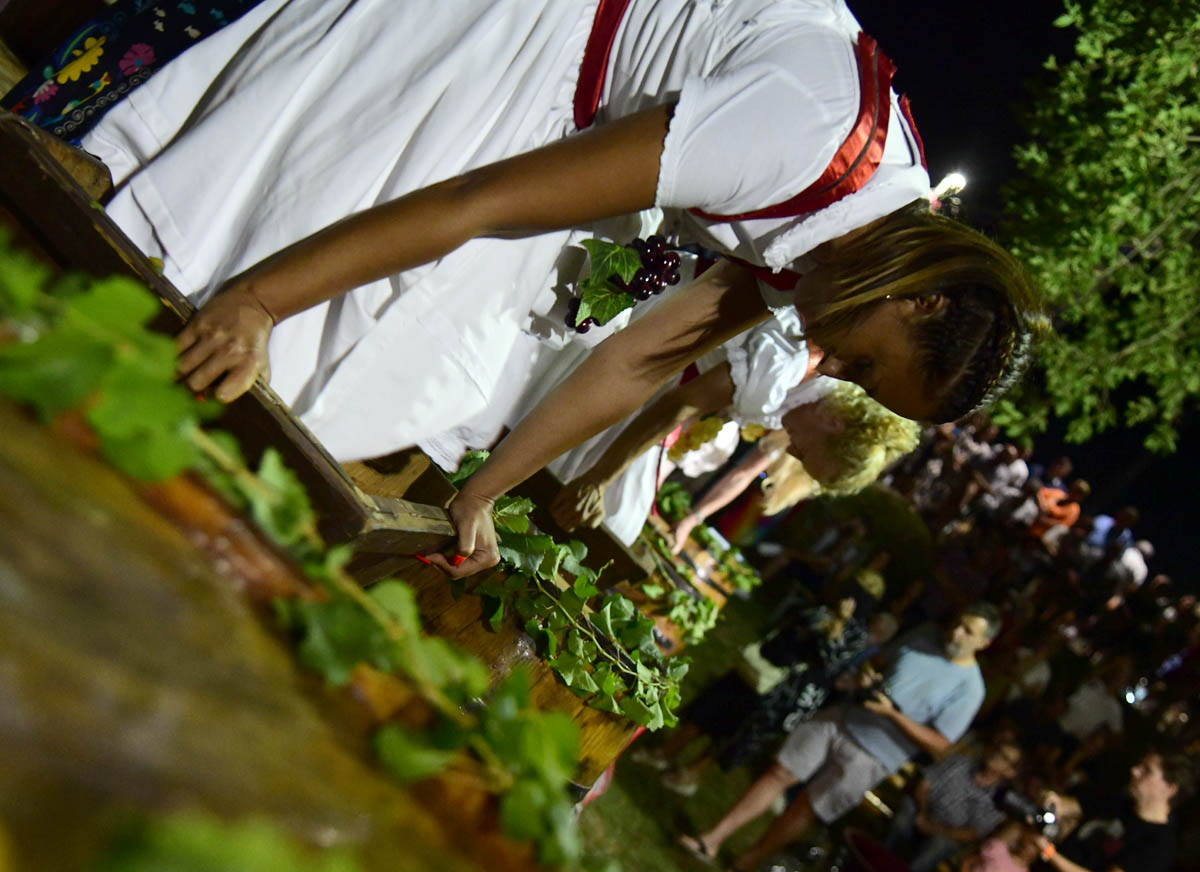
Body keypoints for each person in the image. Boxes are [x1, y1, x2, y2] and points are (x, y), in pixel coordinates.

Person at [75, 0, 1042, 576]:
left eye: (857, 381)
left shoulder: (854, 239)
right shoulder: (803, 146)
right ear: (920, 295)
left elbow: (642, 360)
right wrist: (260, 298)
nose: (832, 362)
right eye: (865, 359)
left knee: (388, 361)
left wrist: (482, 494)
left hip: (563, 85)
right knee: (252, 248)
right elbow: (481, 199)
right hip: (530, 34)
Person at [681, 603, 1002, 871]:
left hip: (875, 756)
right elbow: (882, 660)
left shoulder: (971, 689)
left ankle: (746, 862)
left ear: (985, 643)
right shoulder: (925, 636)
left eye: (968, 631)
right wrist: (865, 677)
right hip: (844, 717)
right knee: (779, 771)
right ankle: (711, 840)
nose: (956, 633)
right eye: (958, 624)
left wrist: (892, 715)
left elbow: (941, 744)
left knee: (806, 807)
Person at [1035, 751, 1193, 872]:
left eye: (1147, 770)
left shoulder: (1160, 844)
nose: (1135, 771)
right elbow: (1071, 806)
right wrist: (1053, 801)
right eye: (1140, 766)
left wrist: (1049, 852)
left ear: (1170, 788)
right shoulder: (1120, 802)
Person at [885, 739, 1022, 872]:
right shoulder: (960, 763)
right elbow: (924, 785)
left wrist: (935, 828)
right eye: (997, 750)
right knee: (905, 814)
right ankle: (877, 859)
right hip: (924, 808)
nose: (996, 756)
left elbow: (973, 833)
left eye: (1004, 757)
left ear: (1010, 772)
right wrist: (922, 813)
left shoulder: (998, 800)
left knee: (939, 846)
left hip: (948, 832)